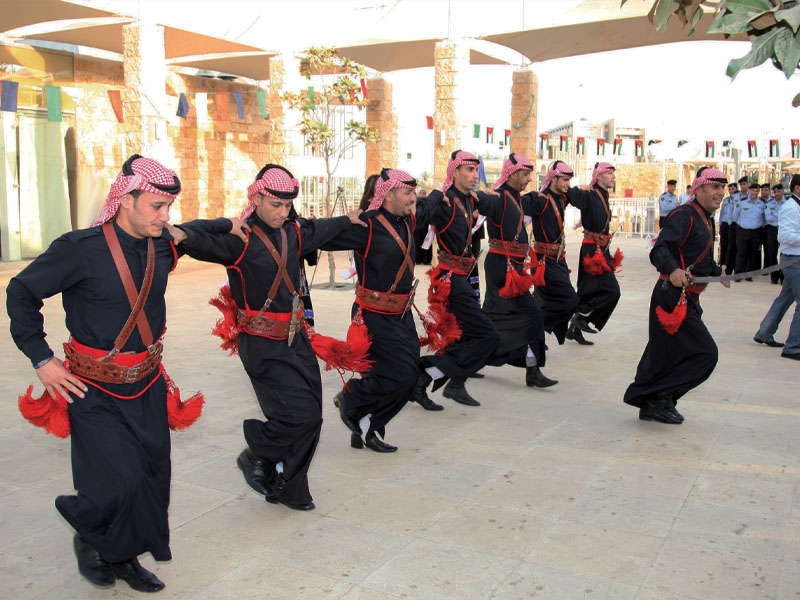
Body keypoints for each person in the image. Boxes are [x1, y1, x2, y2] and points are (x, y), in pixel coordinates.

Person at [6, 155, 241, 593]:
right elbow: (20, 292)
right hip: (91, 386)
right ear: (124, 200)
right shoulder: (79, 249)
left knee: (152, 475)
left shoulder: (162, 244)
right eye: (155, 206)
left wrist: (232, 222)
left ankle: (124, 555)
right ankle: (91, 536)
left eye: (169, 206)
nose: (164, 217)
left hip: (149, 382)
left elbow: (202, 228)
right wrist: (42, 359)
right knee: (117, 479)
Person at [171, 164, 365, 511]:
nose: (282, 212)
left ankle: (287, 487)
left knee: (313, 418)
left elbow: (324, 227)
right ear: (257, 196)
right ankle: (256, 453)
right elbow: (185, 235)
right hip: (261, 345)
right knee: (299, 416)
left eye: (288, 205)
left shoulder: (295, 232)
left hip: (297, 340)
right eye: (275, 204)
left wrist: (348, 219)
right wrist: (220, 224)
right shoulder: (239, 239)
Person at [320, 168, 447, 451]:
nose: (414, 198)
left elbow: (431, 203)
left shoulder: (409, 218)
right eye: (407, 193)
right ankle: (352, 399)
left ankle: (364, 428)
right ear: (388, 195)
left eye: (414, 193)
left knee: (396, 374)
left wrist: (445, 188)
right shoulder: (365, 225)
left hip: (401, 314)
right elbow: (318, 237)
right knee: (401, 375)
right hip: (373, 316)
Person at [624, 167, 730, 423]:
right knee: (705, 353)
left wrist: (717, 271)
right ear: (700, 188)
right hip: (671, 297)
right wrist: (671, 268)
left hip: (688, 298)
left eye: (722, 188)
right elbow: (659, 249)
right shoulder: (684, 215)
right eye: (715, 187)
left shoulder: (706, 217)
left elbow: (696, 255)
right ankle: (661, 397)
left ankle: (653, 402)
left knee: (667, 353)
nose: (720, 193)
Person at [411, 151, 500, 409]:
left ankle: (425, 383)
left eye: (476, 171)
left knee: (462, 336)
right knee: (488, 335)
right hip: (450, 281)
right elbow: (418, 215)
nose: (475, 176)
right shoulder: (445, 201)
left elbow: (491, 201)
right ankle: (433, 374)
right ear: (454, 172)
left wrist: (489, 194)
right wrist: (437, 194)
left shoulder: (469, 199)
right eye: (469, 171)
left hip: (462, 276)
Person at [476, 153, 558, 388]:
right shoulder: (499, 197)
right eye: (524, 174)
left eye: (529, 175)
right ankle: (533, 369)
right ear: (511, 175)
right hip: (503, 268)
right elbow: (481, 200)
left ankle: (469, 356)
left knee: (491, 317)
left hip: (511, 266)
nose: (528, 179)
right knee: (532, 315)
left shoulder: (517, 198)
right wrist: (474, 196)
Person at [563, 162, 622, 344]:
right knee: (612, 291)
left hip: (601, 249)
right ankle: (581, 317)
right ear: (599, 175)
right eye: (609, 173)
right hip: (592, 249)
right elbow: (568, 192)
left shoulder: (603, 195)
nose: (613, 177)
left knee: (588, 290)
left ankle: (574, 329)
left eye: (613, 173)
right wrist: (577, 187)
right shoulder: (589, 193)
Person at [530, 160, 582, 345]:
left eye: (570, 180)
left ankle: (535, 334)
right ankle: (536, 330)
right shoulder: (540, 199)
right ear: (553, 178)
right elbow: (516, 207)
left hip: (559, 259)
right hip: (544, 261)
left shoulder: (562, 197)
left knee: (545, 301)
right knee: (569, 300)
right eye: (565, 180)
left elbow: (579, 197)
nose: (568, 184)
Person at [754, 173, 800, 359]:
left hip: (794, 259)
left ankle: (764, 333)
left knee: (785, 298)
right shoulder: (791, 208)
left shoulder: (795, 206)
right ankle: (793, 347)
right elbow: (785, 236)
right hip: (793, 260)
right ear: (798, 188)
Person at [734, 183, 766, 280]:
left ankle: (749, 275)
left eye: (757, 191)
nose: (754, 193)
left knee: (753, 254)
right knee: (741, 253)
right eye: (753, 191)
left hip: (756, 232)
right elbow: (735, 216)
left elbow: (764, 218)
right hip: (743, 231)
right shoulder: (742, 203)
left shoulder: (762, 204)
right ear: (749, 191)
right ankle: (738, 275)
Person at [765, 184, 785, 285]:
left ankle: (782, 276)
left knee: (784, 253)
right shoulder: (769, 203)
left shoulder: (788, 203)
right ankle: (774, 276)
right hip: (772, 230)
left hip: (784, 230)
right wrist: (780, 216)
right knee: (771, 254)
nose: (776, 194)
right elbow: (768, 218)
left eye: (778, 192)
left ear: (782, 192)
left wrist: (775, 215)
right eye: (775, 192)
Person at [718, 182, 738, 269]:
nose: (731, 191)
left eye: (733, 189)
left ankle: (732, 265)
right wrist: (720, 225)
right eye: (730, 189)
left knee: (733, 246)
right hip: (725, 225)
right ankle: (723, 264)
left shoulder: (739, 200)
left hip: (734, 225)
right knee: (724, 245)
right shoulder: (726, 201)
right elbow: (722, 214)